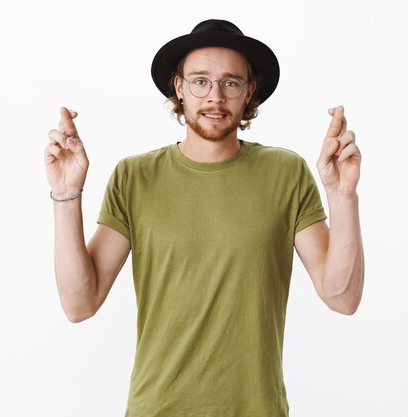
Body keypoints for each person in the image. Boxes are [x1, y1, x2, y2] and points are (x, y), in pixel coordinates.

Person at [44, 19, 364, 417]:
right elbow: (80, 303)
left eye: (230, 83)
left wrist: (343, 194)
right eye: (200, 82)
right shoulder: (135, 177)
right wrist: (65, 193)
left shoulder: (286, 173)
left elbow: (343, 297)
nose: (215, 96)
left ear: (249, 91)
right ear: (179, 87)